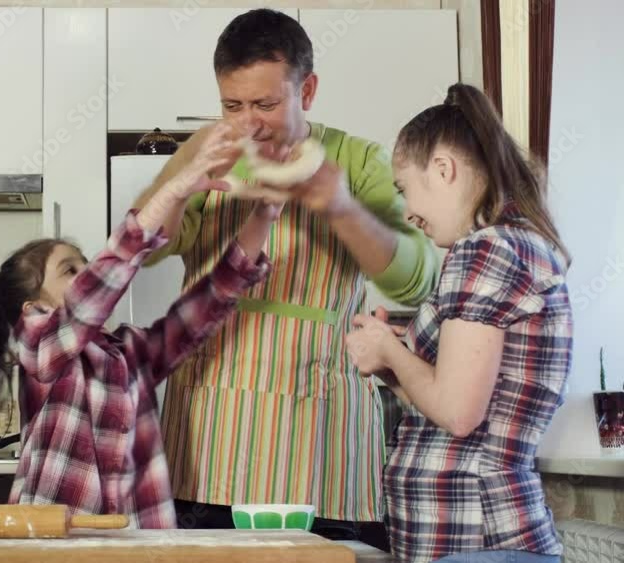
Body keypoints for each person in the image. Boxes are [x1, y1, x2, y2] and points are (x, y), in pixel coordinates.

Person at [133, 9, 439, 548]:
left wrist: (341, 207)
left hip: (320, 443)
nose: (249, 122)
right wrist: (180, 186)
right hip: (210, 442)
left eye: (266, 104)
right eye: (233, 106)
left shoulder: (356, 158)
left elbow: (412, 280)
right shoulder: (206, 151)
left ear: (308, 89)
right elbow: (142, 248)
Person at [0, 126, 275, 526]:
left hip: (135, 544)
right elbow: (96, 290)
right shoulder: (35, 341)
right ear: (33, 307)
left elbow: (202, 311)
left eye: (86, 264)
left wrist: (264, 215)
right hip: (56, 541)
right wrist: (173, 193)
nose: (87, 274)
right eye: (71, 270)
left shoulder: (129, 350)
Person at [345, 83, 572, 563]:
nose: (408, 212)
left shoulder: (486, 249)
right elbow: (460, 404)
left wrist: (391, 352)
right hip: (475, 540)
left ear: (443, 169)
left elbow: (458, 412)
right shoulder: (513, 245)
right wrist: (396, 364)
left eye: (406, 189)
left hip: (478, 537)